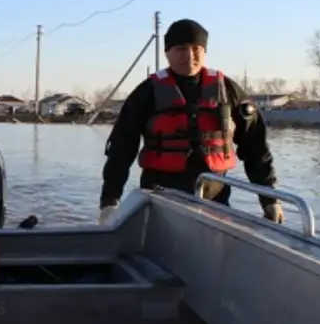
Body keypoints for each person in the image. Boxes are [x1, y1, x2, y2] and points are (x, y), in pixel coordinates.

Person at [99, 19, 283, 224]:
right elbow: (121, 151)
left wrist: (269, 199)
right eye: (180, 49)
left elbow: (255, 147)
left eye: (196, 49)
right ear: (167, 53)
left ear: (204, 51)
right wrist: (109, 202)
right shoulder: (146, 93)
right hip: (159, 201)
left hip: (215, 202)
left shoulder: (227, 91)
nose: (189, 56)